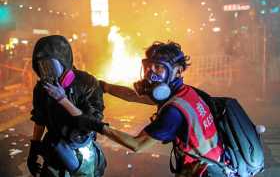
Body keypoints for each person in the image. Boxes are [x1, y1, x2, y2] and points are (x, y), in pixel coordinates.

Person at [45, 41, 226, 177]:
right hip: (213, 161)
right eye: (149, 66)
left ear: (178, 71)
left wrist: (98, 126)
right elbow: (133, 95)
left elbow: (137, 145)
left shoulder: (174, 112)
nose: (151, 73)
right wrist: (103, 86)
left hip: (202, 171)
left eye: (159, 67)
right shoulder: (185, 93)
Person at [27, 35, 106, 177]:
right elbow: (40, 120)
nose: (45, 70)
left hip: (81, 150)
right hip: (55, 151)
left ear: (63, 61)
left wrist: (62, 99)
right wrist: (33, 150)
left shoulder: (87, 82)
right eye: (41, 65)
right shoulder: (41, 88)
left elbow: (92, 122)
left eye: (49, 64)